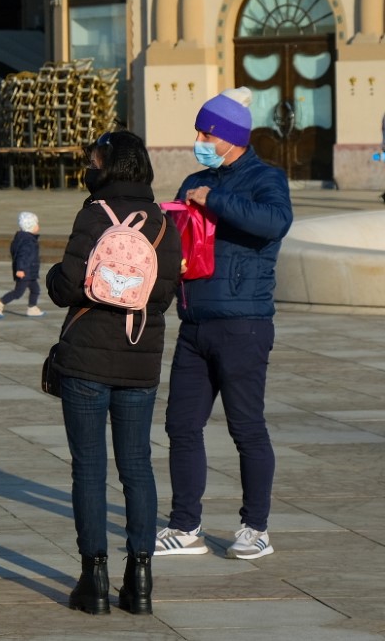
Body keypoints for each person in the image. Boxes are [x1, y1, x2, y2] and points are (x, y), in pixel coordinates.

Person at [44, 130, 181, 615]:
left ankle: (94, 578)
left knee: (89, 469)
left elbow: (66, 285)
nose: (89, 168)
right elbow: (163, 295)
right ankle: (140, 580)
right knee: (137, 467)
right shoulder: (163, 221)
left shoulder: (93, 215)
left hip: (85, 358)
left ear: (111, 166)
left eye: (94, 161)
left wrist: (55, 278)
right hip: (140, 357)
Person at [156, 90, 292, 562]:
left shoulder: (265, 178)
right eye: (198, 132)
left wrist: (215, 199)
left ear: (232, 137)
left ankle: (256, 528)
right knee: (181, 425)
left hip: (243, 324)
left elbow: (275, 222)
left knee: (246, 427)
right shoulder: (194, 179)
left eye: (207, 134)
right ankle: (184, 526)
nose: (200, 141)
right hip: (195, 322)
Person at [0, 212, 44, 318]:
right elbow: (22, 256)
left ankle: (32, 308)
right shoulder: (28, 241)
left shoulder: (23, 238)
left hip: (30, 272)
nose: (38, 226)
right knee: (18, 292)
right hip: (25, 272)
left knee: (35, 290)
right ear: (30, 227)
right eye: (36, 224)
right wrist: (20, 269)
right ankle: (0, 302)